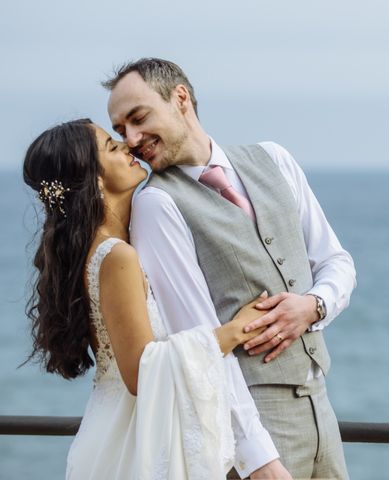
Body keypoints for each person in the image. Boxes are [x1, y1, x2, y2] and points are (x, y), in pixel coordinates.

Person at [103, 58, 356, 479]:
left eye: (138, 118)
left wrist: (314, 305)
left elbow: (336, 261)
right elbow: (198, 339)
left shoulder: (274, 158)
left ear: (180, 97)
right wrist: (258, 459)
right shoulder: (156, 204)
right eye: (119, 130)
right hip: (251, 423)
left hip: (321, 407)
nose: (131, 139)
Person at [22, 119, 276, 479]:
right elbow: (141, 371)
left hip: (114, 427)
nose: (127, 146)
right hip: (132, 444)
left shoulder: (98, 251)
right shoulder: (116, 256)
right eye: (112, 147)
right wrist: (233, 332)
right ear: (94, 179)